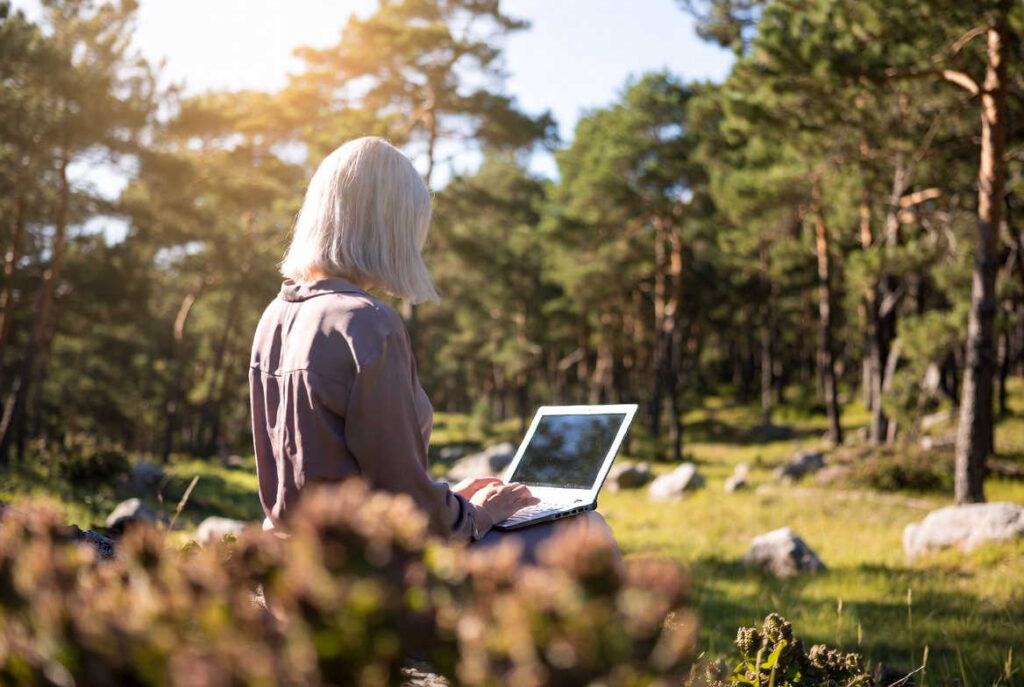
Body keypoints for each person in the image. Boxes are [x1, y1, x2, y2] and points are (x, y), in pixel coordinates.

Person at [249, 136, 620, 563]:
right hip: (373, 570)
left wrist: (453, 498)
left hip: (298, 560)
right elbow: (405, 503)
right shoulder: (367, 323)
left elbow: (341, 471)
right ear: (386, 226)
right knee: (588, 527)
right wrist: (474, 516)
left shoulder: (275, 315)